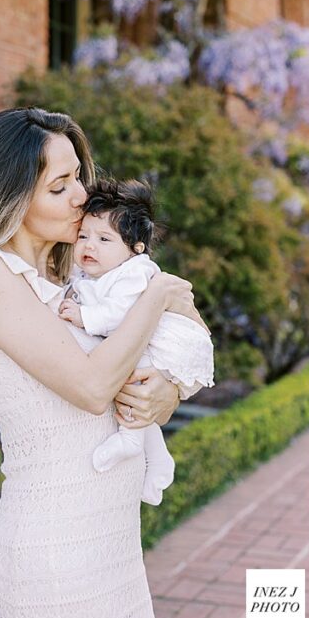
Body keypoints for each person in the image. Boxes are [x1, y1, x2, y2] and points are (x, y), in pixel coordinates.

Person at [0, 107, 206, 618]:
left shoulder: (71, 267)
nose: (81, 196)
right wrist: (156, 295)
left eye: (79, 177)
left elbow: (187, 323)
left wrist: (170, 388)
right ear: (10, 197)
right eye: (60, 186)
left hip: (112, 541)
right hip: (56, 553)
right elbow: (94, 387)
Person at [60, 179, 214, 506]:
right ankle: (158, 458)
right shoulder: (94, 272)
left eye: (104, 239)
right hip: (146, 339)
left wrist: (83, 317)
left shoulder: (135, 273)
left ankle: (131, 440)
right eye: (84, 236)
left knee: (133, 376)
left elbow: (120, 317)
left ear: (136, 248)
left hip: (165, 345)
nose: (89, 246)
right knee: (133, 381)